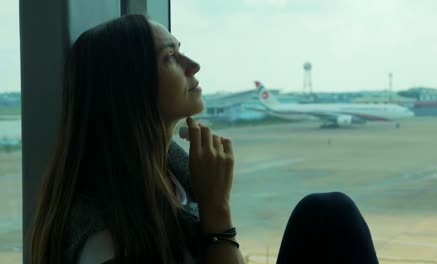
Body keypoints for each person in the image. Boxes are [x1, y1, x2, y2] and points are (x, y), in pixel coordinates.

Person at [27, 14, 379, 264]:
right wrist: (216, 210)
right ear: (130, 89)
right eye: (170, 57)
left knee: (327, 213)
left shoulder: (172, 175)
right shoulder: (108, 239)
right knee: (331, 216)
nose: (193, 64)